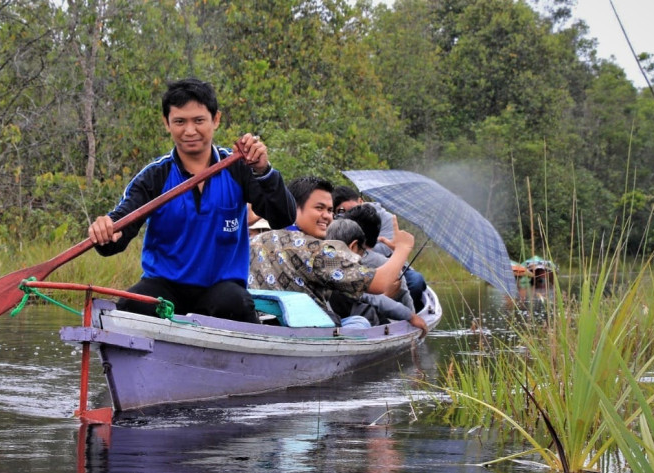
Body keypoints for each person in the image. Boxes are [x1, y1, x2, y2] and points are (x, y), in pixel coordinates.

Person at [88, 78, 296, 323]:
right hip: (164, 289)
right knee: (133, 304)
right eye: (179, 121)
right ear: (166, 123)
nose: (189, 131)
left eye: (199, 120)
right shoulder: (155, 176)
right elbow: (117, 234)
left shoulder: (239, 168)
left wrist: (264, 171)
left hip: (221, 289)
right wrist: (105, 231)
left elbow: (283, 216)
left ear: (215, 120)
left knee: (235, 303)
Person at [249, 176, 418, 331]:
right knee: (361, 322)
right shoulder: (317, 250)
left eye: (330, 210)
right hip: (308, 331)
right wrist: (402, 248)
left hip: (260, 324)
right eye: (319, 208)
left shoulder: (258, 239)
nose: (327, 216)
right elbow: (379, 283)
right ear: (294, 207)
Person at [326, 217, 427, 336]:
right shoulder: (347, 273)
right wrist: (410, 316)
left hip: (327, 319)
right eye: (362, 252)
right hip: (342, 323)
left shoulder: (320, 261)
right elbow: (376, 299)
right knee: (367, 315)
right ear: (353, 247)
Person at [332, 185, 428, 311]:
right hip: (356, 264)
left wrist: (362, 249)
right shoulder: (335, 221)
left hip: (392, 263)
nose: (348, 215)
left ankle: (406, 313)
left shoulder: (385, 217)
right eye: (341, 211)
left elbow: (386, 247)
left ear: (360, 201)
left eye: (351, 209)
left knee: (415, 282)